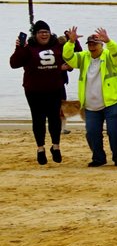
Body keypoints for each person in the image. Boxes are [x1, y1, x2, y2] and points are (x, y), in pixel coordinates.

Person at [61, 27, 117, 167]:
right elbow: (68, 57)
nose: (92, 47)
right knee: (92, 133)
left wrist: (109, 41)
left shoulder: (109, 56)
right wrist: (71, 42)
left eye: (95, 44)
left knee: (114, 132)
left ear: (101, 45)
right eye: (90, 44)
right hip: (91, 105)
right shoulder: (83, 57)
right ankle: (98, 158)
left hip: (114, 101)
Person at [11, 20, 69, 165]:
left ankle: (56, 146)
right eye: (40, 32)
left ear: (50, 33)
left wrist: (72, 41)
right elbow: (14, 63)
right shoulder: (28, 46)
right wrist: (19, 48)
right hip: (34, 90)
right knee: (38, 119)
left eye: (46, 32)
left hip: (55, 88)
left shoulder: (58, 45)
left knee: (55, 118)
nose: (44, 35)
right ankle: (40, 148)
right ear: (35, 34)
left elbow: (72, 59)